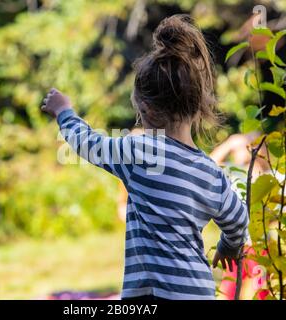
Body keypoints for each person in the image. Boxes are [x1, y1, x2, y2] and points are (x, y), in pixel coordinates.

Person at [42, 15, 249, 300]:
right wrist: (229, 245)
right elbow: (238, 219)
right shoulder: (210, 171)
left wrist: (64, 111)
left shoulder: (141, 154)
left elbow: (87, 143)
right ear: (195, 106)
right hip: (198, 292)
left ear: (146, 110)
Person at [210, 133, 269, 300]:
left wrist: (255, 155)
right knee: (229, 288)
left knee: (262, 289)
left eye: (243, 148)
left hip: (260, 245)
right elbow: (209, 166)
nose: (237, 152)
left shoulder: (267, 176)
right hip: (236, 243)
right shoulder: (231, 174)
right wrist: (229, 143)